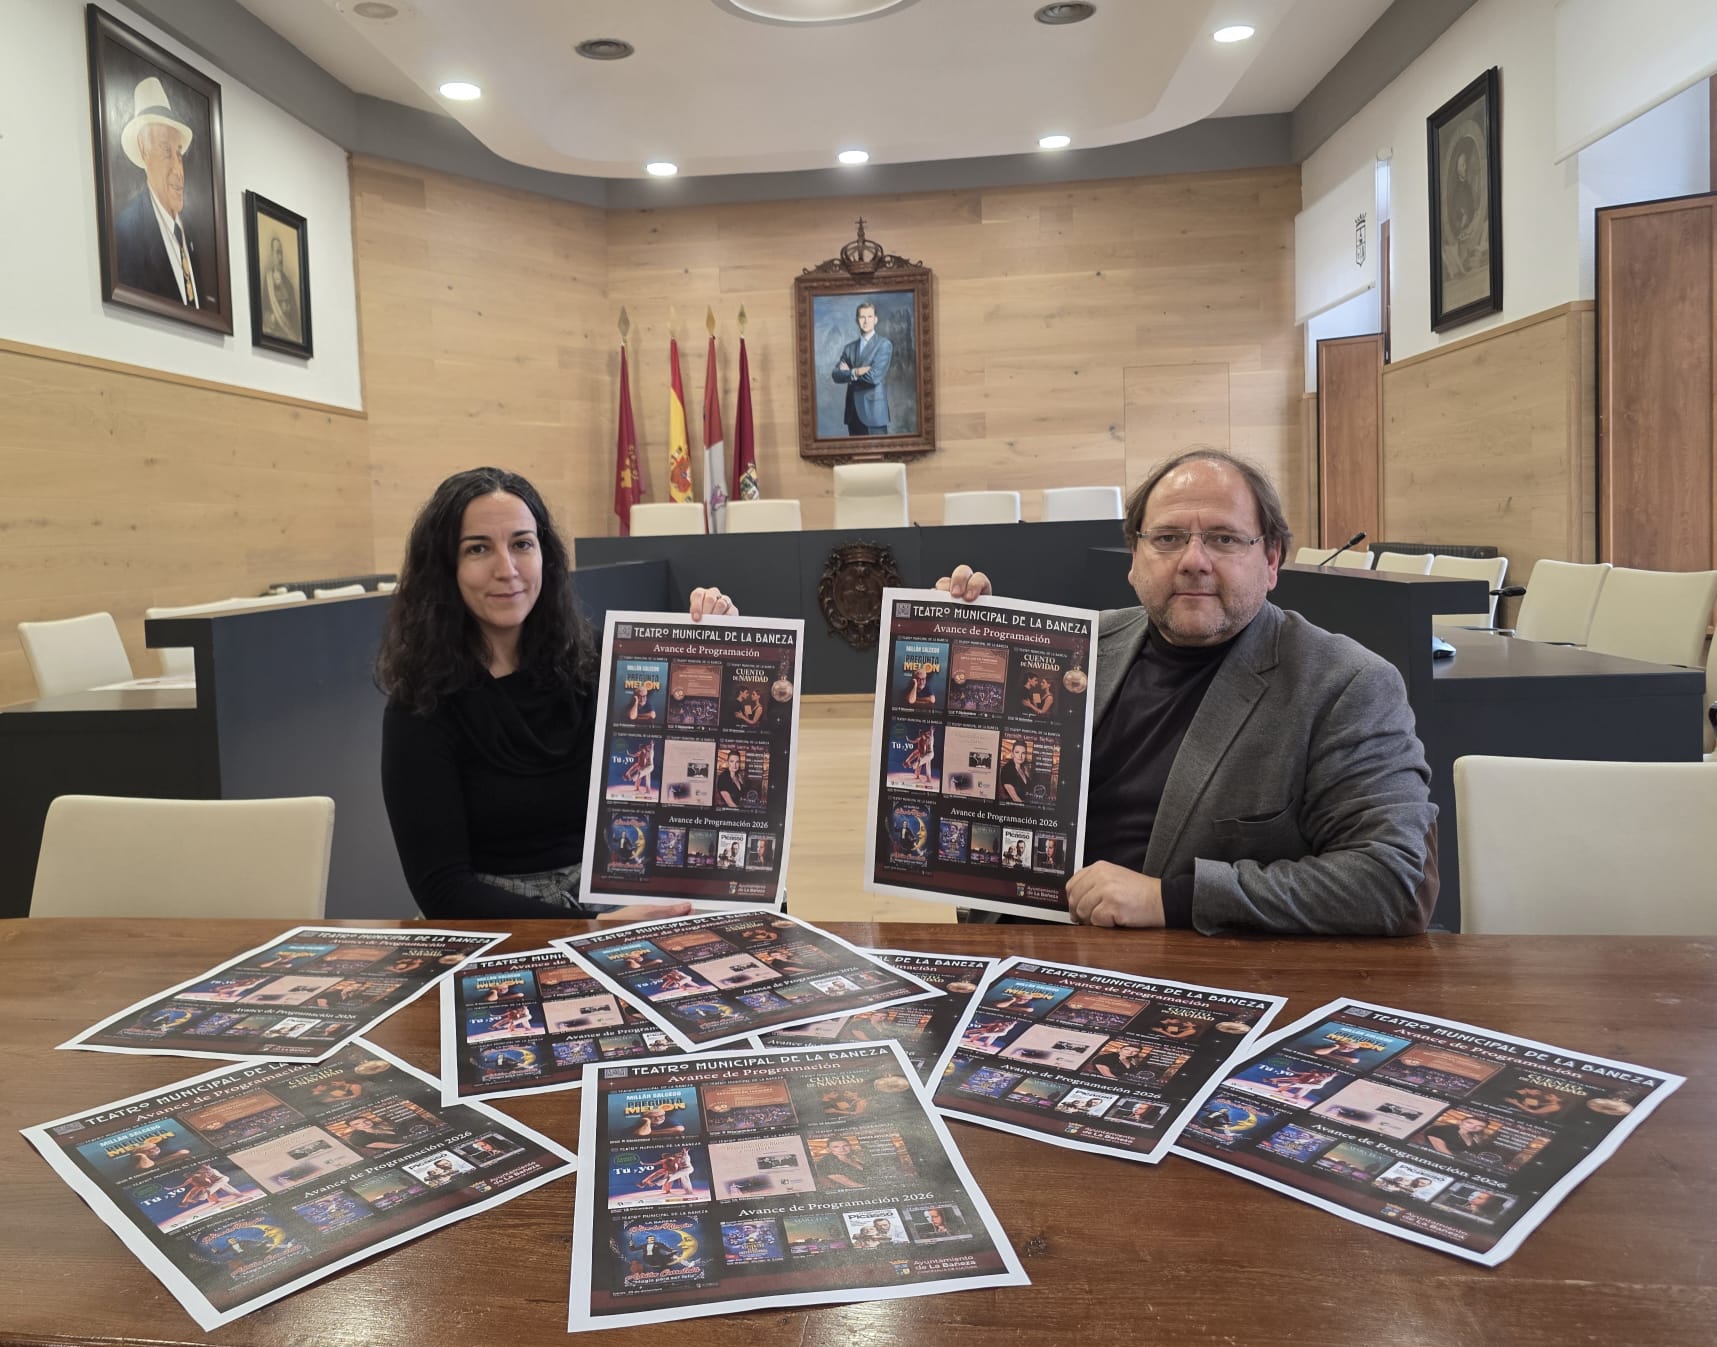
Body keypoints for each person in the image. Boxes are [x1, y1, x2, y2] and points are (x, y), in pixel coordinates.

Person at [937, 448, 1436, 936]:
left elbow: (1394, 881)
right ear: (1134, 559)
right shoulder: (1073, 652)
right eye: (1168, 538)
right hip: (1015, 947)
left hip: (1195, 967)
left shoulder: (1344, 684)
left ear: (1271, 560)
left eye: (1224, 539)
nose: (1193, 561)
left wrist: (1170, 899)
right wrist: (968, 655)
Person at [377, 467, 735, 919]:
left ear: (544, 555)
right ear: (445, 567)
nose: (507, 570)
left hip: (624, 892)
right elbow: (443, 892)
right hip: (510, 925)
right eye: (478, 549)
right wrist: (592, 927)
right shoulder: (420, 706)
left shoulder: (602, 661)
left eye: (522, 544)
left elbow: (700, 761)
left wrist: (723, 645)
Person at [112, 77, 211, 308]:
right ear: (143, 149)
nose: (178, 171)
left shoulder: (193, 231)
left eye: (179, 154)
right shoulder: (127, 232)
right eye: (166, 151)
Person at [830, 301, 893, 435]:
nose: (866, 321)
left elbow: (873, 378)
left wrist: (849, 375)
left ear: (875, 320)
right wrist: (856, 371)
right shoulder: (849, 348)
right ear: (856, 321)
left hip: (874, 414)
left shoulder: (884, 345)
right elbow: (836, 375)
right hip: (852, 414)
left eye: (869, 317)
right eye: (862, 317)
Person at [260, 235, 301, 342]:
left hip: (288, 336)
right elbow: (263, 309)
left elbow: (296, 321)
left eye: (281, 253)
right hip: (272, 335)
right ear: (272, 255)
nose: (280, 258)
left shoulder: (288, 284)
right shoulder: (267, 280)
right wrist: (269, 317)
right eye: (277, 253)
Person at [997, 739, 1031, 804]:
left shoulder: (1023, 769)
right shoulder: (1008, 769)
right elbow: (1015, 798)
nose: (1020, 756)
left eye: (1023, 753)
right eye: (1017, 752)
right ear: (1012, 754)